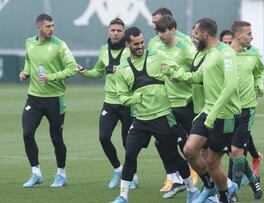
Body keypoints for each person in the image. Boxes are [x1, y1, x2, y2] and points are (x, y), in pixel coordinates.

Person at [110, 26, 198, 203]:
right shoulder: (122, 69)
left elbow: (174, 67)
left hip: (162, 116)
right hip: (140, 120)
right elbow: (121, 98)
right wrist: (135, 98)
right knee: (130, 155)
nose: (140, 46)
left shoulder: (156, 56)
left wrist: (174, 74)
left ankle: (192, 190)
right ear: (127, 45)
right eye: (136, 44)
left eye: (142, 42)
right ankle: (123, 196)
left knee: (173, 155)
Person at [163, 18, 239, 203]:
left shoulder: (226, 53)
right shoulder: (209, 53)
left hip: (224, 115)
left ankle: (224, 196)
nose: (193, 37)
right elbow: (199, 77)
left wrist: (212, 115)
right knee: (189, 150)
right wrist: (175, 73)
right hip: (207, 112)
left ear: (205, 34)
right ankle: (210, 186)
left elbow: (230, 86)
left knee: (212, 161)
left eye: (196, 33)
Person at [76, 18, 137, 189]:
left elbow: (137, 71)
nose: (116, 33)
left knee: (128, 143)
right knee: (103, 137)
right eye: (113, 30)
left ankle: (132, 176)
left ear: (124, 32)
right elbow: (98, 72)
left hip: (127, 102)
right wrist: (85, 73)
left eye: (119, 30)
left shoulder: (130, 49)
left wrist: (123, 71)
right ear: (108, 31)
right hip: (109, 102)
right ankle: (118, 169)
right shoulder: (103, 50)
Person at [19, 14, 77, 188]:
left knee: (56, 138)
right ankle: (36, 173)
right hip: (34, 98)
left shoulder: (60, 45)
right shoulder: (29, 42)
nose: (52, 29)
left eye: (53, 25)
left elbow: (72, 68)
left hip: (55, 100)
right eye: (48, 26)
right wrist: (26, 72)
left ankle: (61, 174)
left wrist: (51, 77)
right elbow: (29, 60)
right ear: (39, 28)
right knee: (27, 134)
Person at [148, 7, 198, 193]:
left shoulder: (186, 46)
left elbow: (197, 72)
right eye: (155, 26)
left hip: (186, 102)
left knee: (196, 146)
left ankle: (217, 183)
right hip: (166, 104)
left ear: (172, 26)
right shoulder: (156, 46)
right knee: (162, 142)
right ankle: (177, 177)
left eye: (160, 26)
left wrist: (179, 74)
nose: (157, 30)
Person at [228, 20, 264, 201]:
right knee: (232, 152)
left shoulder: (253, 55)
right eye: (249, 33)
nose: (252, 36)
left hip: (247, 109)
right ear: (237, 35)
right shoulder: (224, 55)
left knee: (236, 151)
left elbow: (259, 73)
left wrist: (259, 85)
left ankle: (232, 193)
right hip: (226, 109)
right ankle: (253, 179)